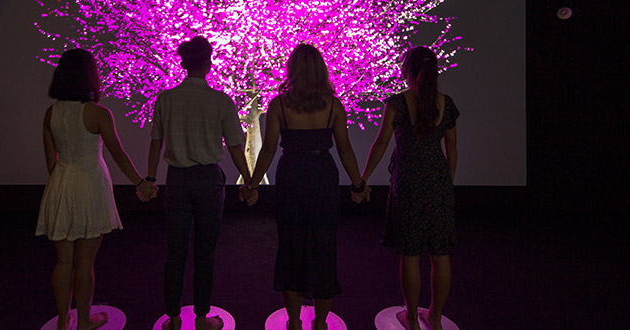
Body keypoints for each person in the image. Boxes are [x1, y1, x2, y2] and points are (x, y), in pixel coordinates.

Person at [243, 44, 368, 330]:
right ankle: (321, 323)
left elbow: (268, 150)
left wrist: (252, 185)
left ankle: (294, 322)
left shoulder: (279, 105)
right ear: (321, 70)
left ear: (292, 70)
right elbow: (345, 150)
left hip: (292, 176)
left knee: (292, 248)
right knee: (324, 247)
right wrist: (359, 184)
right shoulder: (334, 106)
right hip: (323, 176)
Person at [36, 48, 158, 330]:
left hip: (60, 185)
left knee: (63, 262)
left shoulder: (51, 113)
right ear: (89, 77)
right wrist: (140, 183)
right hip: (90, 186)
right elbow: (118, 154)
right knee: (85, 262)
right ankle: (84, 321)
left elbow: (51, 164)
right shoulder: (98, 113)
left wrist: (64, 182)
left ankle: (63, 321)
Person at [147, 36, 253, 330]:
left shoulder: (166, 98)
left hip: (177, 180)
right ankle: (202, 317)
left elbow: (156, 143)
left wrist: (150, 178)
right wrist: (249, 181)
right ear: (208, 63)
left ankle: (173, 318)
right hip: (208, 180)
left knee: (175, 250)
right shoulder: (221, 101)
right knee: (205, 251)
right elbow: (235, 147)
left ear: (183, 62)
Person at [356, 46, 459, 330]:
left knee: (410, 253)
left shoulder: (397, 103)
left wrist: (362, 178)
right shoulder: (446, 103)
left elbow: (381, 144)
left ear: (407, 72)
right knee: (440, 253)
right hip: (438, 181)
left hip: (409, 182)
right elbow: (451, 148)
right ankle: (435, 317)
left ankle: (412, 318)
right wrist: (448, 186)